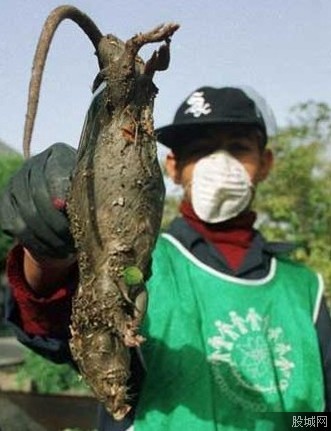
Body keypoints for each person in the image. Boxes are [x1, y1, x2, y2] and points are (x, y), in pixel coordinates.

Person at [1, 85, 330, 431]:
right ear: (172, 167)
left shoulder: (304, 288)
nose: (220, 164)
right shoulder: (135, 264)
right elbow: (55, 328)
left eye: (238, 148)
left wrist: (292, 424)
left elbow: (320, 415)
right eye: (201, 151)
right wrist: (48, 254)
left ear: (265, 164)